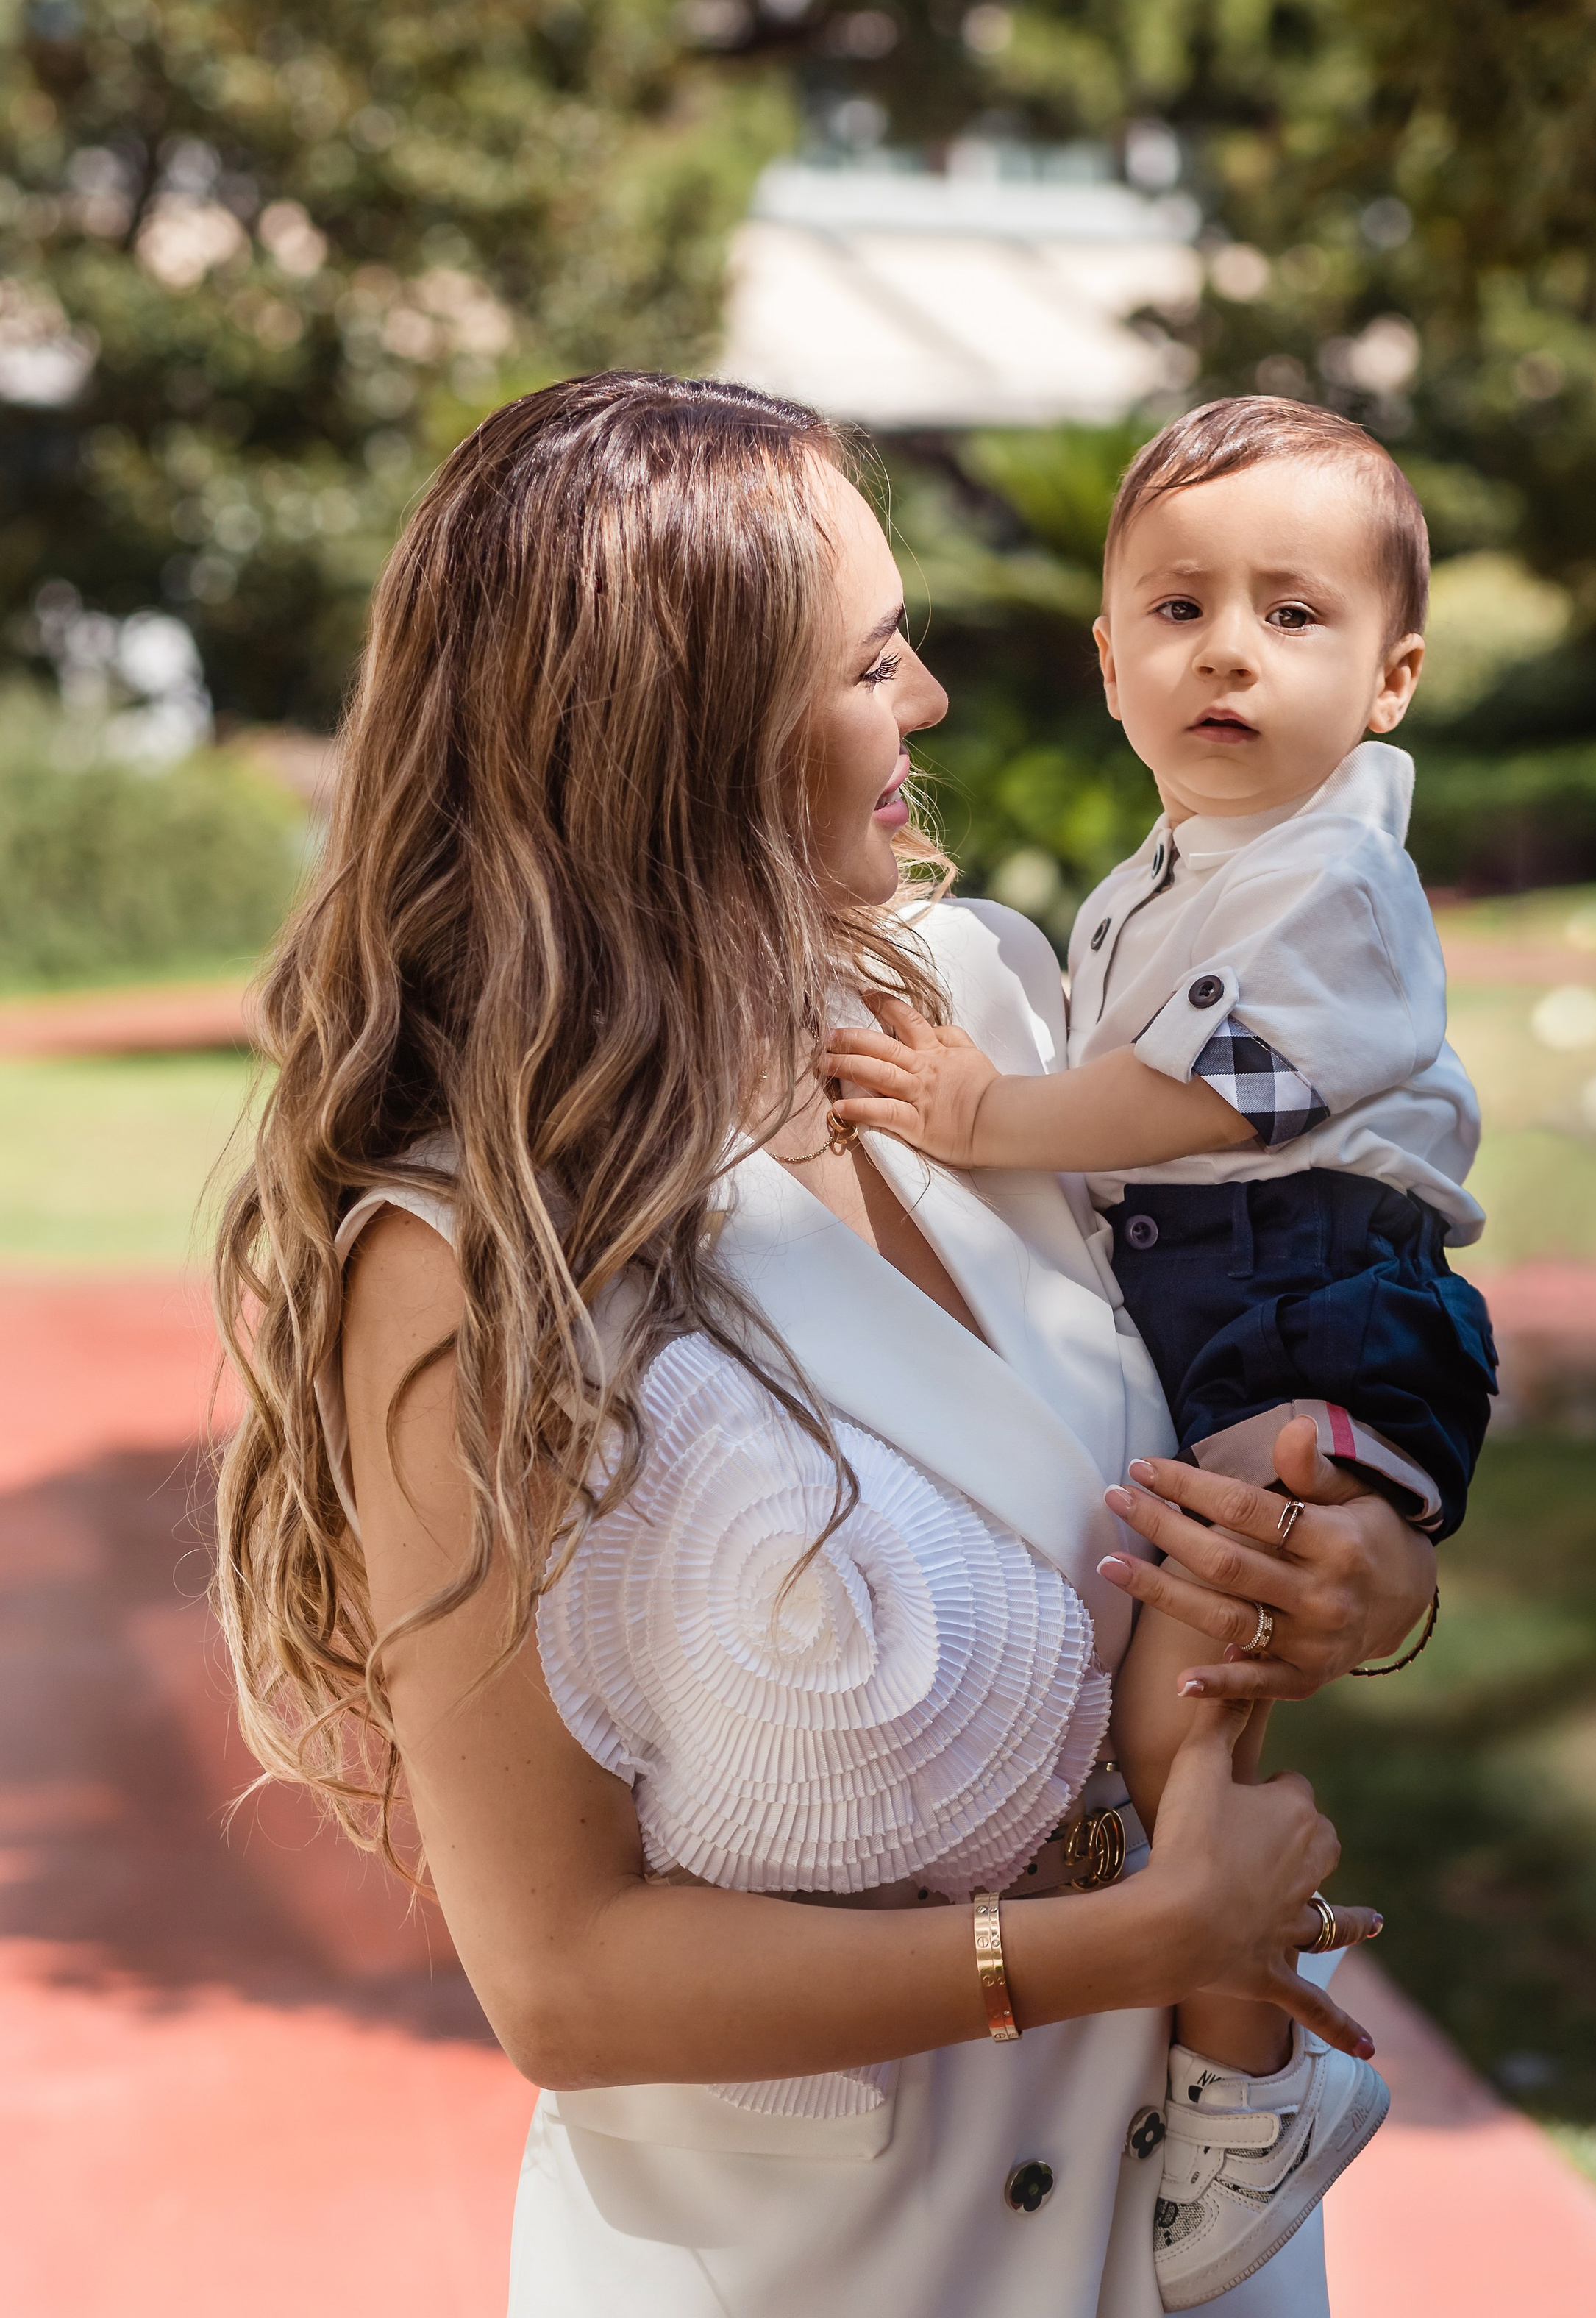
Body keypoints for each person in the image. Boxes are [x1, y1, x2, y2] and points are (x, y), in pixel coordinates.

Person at [212, 373, 1439, 2318]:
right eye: (874, 663)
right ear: (685, 739)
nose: (931, 702)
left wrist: (1361, 1572)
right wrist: (1141, 1942)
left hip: (1201, 2267)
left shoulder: (984, 1003)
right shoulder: (463, 1256)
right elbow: (562, 1978)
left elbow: (1247, 1370)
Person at [826, 397, 1491, 2305]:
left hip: (1320, 1298)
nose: (1228, 648)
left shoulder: (1333, 878)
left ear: (1393, 680)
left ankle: (1249, 2069)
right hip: (1246, 1296)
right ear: (1105, 655)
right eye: (1181, 606)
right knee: (1181, 1662)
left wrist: (972, 1118)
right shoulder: (1166, 873)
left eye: (1296, 615)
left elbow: (1205, 1107)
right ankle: (1231, 2035)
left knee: (1183, 1682)